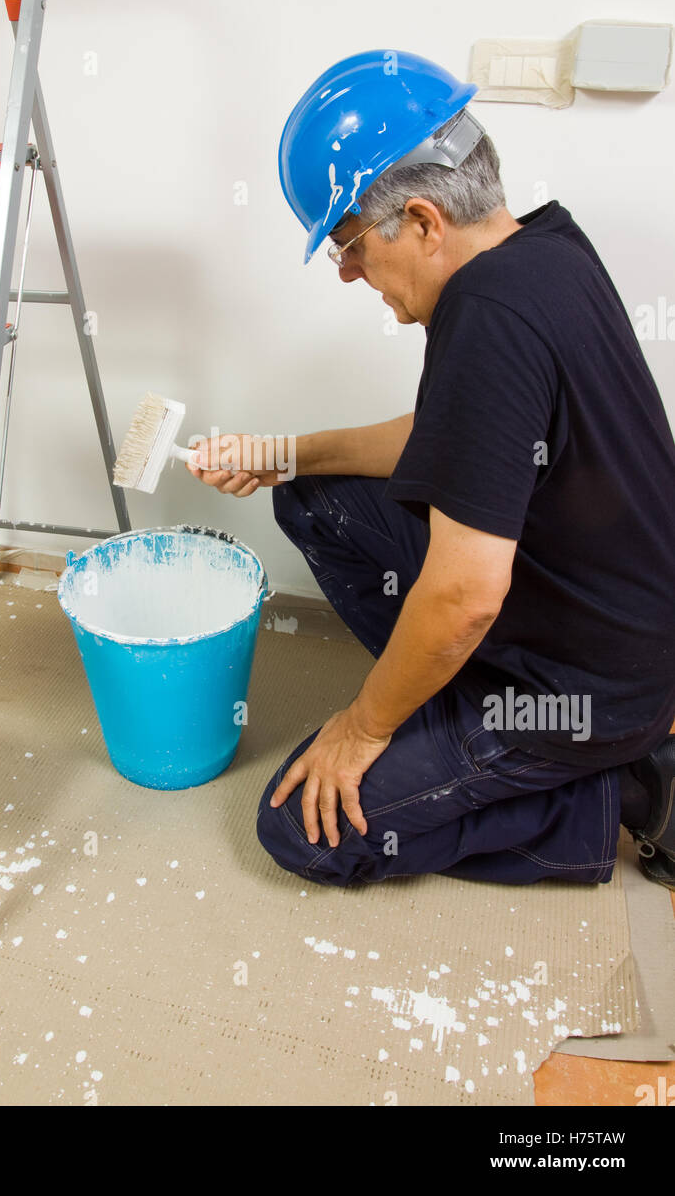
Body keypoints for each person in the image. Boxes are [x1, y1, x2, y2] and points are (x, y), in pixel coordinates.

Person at [187, 49, 675, 891]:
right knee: (318, 502)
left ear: (419, 220)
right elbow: (458, 435)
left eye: (347, 245)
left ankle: (621, 788)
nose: (346, 274)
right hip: (613, 620)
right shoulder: (542, 248)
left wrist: (367, 726)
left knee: (302, 830)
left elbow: (465, 596)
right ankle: (448, 694)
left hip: (584, 688)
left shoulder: (487, 319)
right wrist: (285, 455)